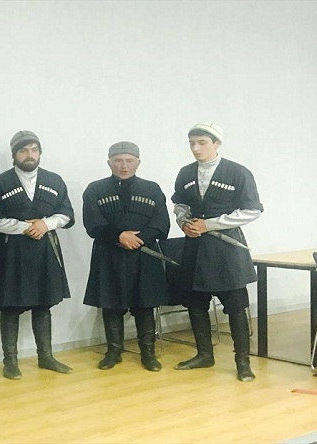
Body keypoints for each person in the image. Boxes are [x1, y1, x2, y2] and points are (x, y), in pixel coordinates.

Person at [171, 122, 263, 382]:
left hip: (226, 249)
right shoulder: (185, 172)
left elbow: (252, 210)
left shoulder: (238, 172)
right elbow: (180, 204)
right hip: (195, 247)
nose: (196, 148)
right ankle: (204, 355)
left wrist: (209, 224)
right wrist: (184, 223)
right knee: (196, 304)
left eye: (202, 143)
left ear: (217, 144)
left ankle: (242, 363)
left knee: (235, 307)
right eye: (192, 143)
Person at [0, 130, 74, 379]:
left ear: (40, 153)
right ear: (14, 155)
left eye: (34, 150)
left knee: (43, 305)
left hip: (45, 250)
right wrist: (25, 227)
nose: (29, 155)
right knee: (10, 307)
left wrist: (45, 224)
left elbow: (67, 214)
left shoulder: (54, 180)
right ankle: (10, 362)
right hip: (11, 252)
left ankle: (46, 357)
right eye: (23, 150)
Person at [82, 141, 170, 372]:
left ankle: (148, 353)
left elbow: (162, 225)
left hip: (144, 255)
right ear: (109, 162)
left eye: (129, 161)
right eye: (118, 160)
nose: (124, 166)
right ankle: (113, 352)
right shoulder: (95, 189)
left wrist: (137, 239)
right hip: (109, 255)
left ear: (138, 163)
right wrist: (119, 236)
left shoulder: (152, 189)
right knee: (111, 305)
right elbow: (92, 224)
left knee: (144, 305)